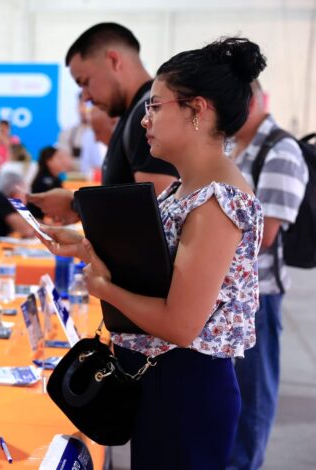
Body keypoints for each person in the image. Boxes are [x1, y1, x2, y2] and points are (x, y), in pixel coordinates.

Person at [41, 37, 266, 469]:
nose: (145, 120)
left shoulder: (217, 202)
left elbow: (181, 325)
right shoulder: (188, 188)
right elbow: (156, 271)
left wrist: (105, 287)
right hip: (166, 380)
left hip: (186, 387)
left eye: (155, 107)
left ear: (196, 110)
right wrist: (91, 250)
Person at [227, 81, 308, 470]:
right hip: (225, 298)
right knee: (230, 400)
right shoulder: (231, 147)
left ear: (257, 100)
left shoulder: (281, 150)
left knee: (252, 399)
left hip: (259, 297)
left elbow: (266, 234)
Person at [28, 23, 179, 224]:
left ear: (113, 60)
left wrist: (77, 205)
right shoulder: (135, 115)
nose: (86, 96)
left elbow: (156, 216)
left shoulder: (148, 117)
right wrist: (76, 204)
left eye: (85, 82)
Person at [27, 146, 70, 219]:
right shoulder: (46, 182)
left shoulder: (54, 179)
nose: (64, 161)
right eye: (59, 158)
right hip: (40, 222)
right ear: (49, 161)